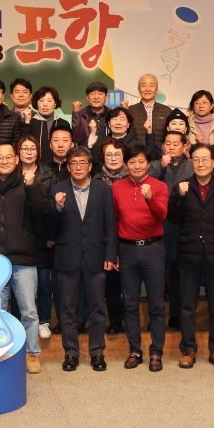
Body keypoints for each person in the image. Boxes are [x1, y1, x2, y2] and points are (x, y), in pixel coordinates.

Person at [0, 141, 51, 374]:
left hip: (23, 258)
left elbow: (42, 214)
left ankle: (32, 353)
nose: (4, 161)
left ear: (17, 160)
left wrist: (33, 187)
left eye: (9, 157)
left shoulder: (28, 184)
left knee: (29, 311)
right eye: (0, 157)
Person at [168, 144, 214, 370]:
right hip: (189, 254)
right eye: (196, 160)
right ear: (191, 162)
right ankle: (188, 349)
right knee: (187, 306)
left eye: (205, 159)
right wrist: (178, 197)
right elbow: (173, 218)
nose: (200, 164)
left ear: (213, 163)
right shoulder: (182, 186)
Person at [50, 146, 117, 372]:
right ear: (68, 167)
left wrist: (110, 254)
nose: (78, 167)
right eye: (74, 163)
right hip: (67, 257)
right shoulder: (57, 189)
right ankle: (71, 353)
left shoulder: (103, 190)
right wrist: (57, 207)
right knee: (67, 309)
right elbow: (50, 227)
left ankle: (97, 352)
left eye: (82, 163)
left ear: (90, 167)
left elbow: (110, 224)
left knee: (98, 308)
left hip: (95, 257)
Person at [112, 144, 169, 372]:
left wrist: (150, 198)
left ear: (148, 164)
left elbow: (162, 215)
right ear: (126, 164)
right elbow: (113, 221)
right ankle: (134, 350)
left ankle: (156, 352)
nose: (136, 166)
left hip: (153, 249)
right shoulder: (117, 187)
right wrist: (114, 252)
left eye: (141, 162)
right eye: (132, 162)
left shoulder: (159, 186)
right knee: (130, 303)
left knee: (156, 304)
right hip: (126, 250)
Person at [148, 130, 192, 330]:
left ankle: (176, 315)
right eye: (168, 143)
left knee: (178, 273)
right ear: (162, 146)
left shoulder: (191, 166)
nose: (172, 147)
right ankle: (155, 317)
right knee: (156, 274)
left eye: (176, 144)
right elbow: (145, 185)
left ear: (185, 147)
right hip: (157, 225)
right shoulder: (154, 165)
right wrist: (161, 167)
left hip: (182, 226)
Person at [18, 134, 59, 341]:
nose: (28, 152)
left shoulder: (48, 174)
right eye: (24, 148)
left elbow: (52, 206)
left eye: (32, 149)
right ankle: (19, 322)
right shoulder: (12, 172)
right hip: (18, 233)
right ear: (18, 152)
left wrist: (52, 234)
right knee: (20, 282)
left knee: (43, 281)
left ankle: (43, 321)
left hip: (42, 234)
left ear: (38, 151)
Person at [95, 138, 129, 334]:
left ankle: (130, 321)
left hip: (129, 238)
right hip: (104, 239)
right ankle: (115, 322)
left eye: (117, 154)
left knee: (130, 285)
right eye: (109, 155)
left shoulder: (133, 178)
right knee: (111, 285)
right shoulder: (96, 181)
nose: (113, 158)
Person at [126, 73, 171, 146]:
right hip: (136, 152)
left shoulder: (167, 111)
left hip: (160, 152)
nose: (147, 89)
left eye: (151, 85)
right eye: (143, 85)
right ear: (139, 89)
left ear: (156, 89)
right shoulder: (130, 110)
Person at [24, 86, 64, 165]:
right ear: (36, 103)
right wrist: (27, 122)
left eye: (49, 101)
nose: (45, 104)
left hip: (59, 166)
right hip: (35, 166)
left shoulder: (63, 123)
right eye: (41, 100)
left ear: (55, 104)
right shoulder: (30, 123)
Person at [71, 81, 109, 149]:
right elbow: (77, 138)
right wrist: (76, 113)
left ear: (106, 97)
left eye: (100, 94)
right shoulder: (80, 115)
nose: (96, 97)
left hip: (108, 154)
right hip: (86, 154)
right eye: (92, 94)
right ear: (87, 98)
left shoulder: (112, 115)